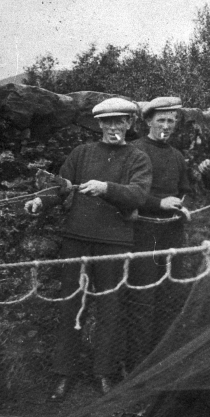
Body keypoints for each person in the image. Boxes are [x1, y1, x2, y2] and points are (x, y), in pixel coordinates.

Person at [25, 97, 152, 400]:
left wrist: (106, 188)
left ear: (130, 123)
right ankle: (64, 374)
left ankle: (103, 373)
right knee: (72, 304)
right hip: (77, 238)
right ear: (99, 125)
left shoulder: (137, 158)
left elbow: (137, 195)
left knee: (110, 308)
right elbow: (60, 187)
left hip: (115, 243)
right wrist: (41, 200)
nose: (113, 127)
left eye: (119, 120)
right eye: (107, 122)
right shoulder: (81, 153)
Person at [127, 96, 194, 370]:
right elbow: (127, 193)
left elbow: (183, 190)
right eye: (161, 120)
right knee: (143, 298)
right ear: (148, 122)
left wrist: (182, 206)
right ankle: (136, 365)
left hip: (172, 234)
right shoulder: (133, 151)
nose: (166, 126)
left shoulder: (176, 155)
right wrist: (159, 203)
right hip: (143, 233)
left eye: (171, 121)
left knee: (171, 295)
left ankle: (161, 361)